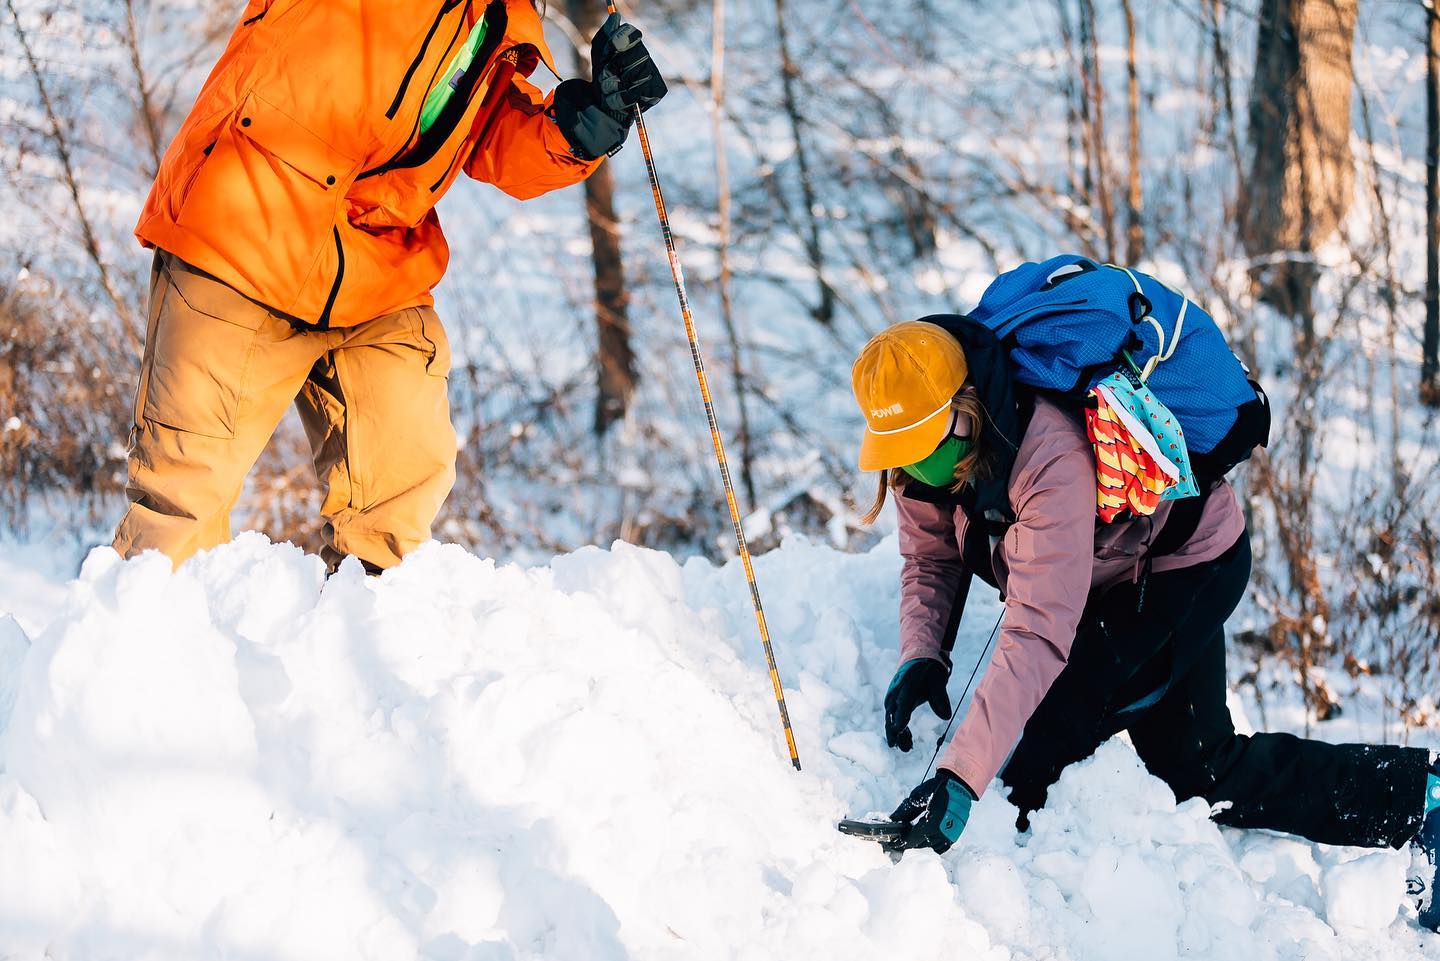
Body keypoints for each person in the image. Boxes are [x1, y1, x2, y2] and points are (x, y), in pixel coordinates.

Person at [850, 317, 1440, 929]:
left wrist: (958, 779)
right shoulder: (920, 459)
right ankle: (1419, 797)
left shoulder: (1045, 453)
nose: (915, 471)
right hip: (1109, 576)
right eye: (901, 456)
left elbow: (1038, 628)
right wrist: (922, 655)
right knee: (1202, 767)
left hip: (1183, 567)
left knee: (1039, 758)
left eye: (924, 448)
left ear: (965, 406)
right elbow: (930, 555)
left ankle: (1025, 919)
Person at [114, 0, 666, 572]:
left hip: (379, 261)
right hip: (247, 226)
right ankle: (138, 650)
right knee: (176, 522)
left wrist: (589, 122)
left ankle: (365, 649)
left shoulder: (498, 21)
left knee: (392, 529)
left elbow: (489, 133)